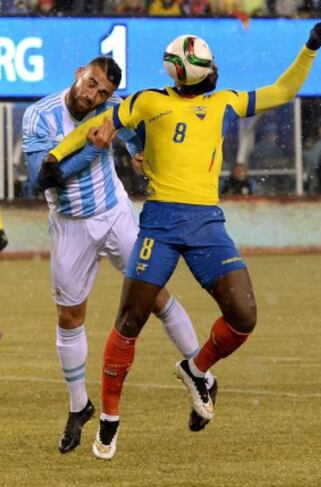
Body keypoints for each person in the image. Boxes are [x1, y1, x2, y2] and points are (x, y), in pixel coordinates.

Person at [43, 22, 321, 459]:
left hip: (207, 225)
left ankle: (196, 367)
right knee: (130, 321)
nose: (215, 69)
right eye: (209, 65)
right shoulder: (147, 102)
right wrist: (54, 156)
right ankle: (109, 421)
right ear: (195, 73)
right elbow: (95, 126)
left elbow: (282, 91)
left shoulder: (224, 103)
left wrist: (311, 47)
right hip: (160, 223)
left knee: (244, 315)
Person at [22, 56, 216, 455]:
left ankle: (201, 372)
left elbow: (140, 129)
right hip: (70, 224)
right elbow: (42, 177)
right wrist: (96, 151)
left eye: (103, 93)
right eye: (91, 84)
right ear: (79, 73)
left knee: (154, 295)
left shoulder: (112, 109)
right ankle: (80, 406)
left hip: (115, 216)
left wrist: (140, 150)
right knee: (70, 317)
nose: (93, 95)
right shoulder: (39, 115)